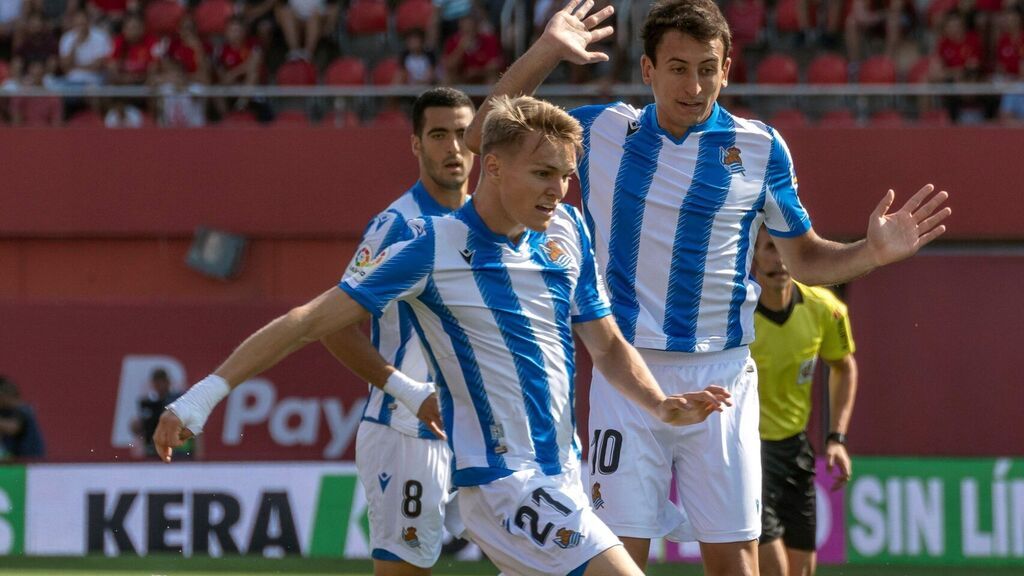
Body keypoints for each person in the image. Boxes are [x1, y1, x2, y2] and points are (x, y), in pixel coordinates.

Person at [463, 1, 950, 574]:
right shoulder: (599, 131)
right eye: (677, 68)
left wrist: (871, 252)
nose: (693, 85)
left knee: (734, 561)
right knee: (616, 558)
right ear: (647, 70)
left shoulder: (761, 148)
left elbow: (804, 258)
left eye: (706, 68)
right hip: (628, 377)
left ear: (727, 68)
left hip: (722, 378)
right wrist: (546, 50)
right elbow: (481, 136)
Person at [154, 95, 732, 576]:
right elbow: (309, 322)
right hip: (502, 482)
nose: (558, 189)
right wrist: (200, 398)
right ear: (495, 167)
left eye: (565, 175)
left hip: (562, 473)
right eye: (542, 173)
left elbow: (604, 342)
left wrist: (660, 403)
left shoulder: (567, 232)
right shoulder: (431, 246)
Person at [318, 86, 476, 576]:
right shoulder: (397, 226)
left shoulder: (491, 221)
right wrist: (410, 393)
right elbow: (332, 327)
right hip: (408, 431)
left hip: (477, 432)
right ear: (415, 144)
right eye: (439, 135)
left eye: (464, 134)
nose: (454, 147)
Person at [751, 228, 858, 576]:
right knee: (775, 570)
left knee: (802, 571)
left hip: (796, 450)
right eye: (769, 248)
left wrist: (836, 438)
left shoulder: (825, 309)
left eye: (784, 249)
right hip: (749, 452)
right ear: (752, 255)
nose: (779, 258)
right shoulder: (733, 314)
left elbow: (843, 367)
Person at [132, 368, 196, 459]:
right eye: (157, 382)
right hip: (156, 449)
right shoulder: (150, 404)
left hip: (179, 450)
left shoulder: (179, 400)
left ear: (168, 382)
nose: (160, 385)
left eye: (162, 382)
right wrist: (138, 424)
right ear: (153, 384)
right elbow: (139, 427)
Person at [0, 375, 46, 461]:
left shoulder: (23, 410)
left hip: (31, 461)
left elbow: (13, 427)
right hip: (15, 460)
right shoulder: (5, 412)